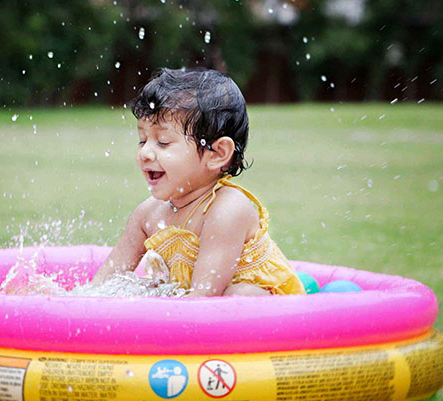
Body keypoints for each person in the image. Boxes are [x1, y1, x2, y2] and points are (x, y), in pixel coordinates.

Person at [93, 67, 305, 297]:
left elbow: (202, 301)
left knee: (241, 293)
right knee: (135, 287)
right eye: (142, 140)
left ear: (217, 154)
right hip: (192, 304)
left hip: (269, 315)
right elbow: (102, 286)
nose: (145, 153)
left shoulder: (227, 209)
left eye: (163, 142)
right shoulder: (147, 215)